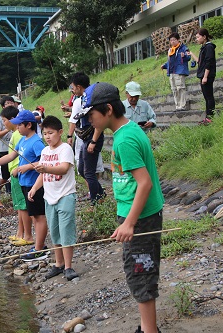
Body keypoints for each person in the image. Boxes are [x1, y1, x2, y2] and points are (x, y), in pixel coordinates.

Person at [85, 82, 164, 333]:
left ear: (108, 109)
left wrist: (129, 222)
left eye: (91, 116)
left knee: (140, 273)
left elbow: (145, 183)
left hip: (140, 217)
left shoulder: (125, 140)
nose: (89, 122)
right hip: (136, 214)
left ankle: (149, 330)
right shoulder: (125, 132)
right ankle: (146, 327)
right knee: (139, 270)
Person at [0, 110, 48, 261]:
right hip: (25, 183)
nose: (17, 127)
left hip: (35, 185)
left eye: (20, 124)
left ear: (29, 125)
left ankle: (40, 248)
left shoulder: (36, 141)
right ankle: (39, 245)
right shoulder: (23, 140)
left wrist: (27, 167)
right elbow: (10, 156)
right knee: (34, 216)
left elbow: (45, 161)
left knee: (39, 216)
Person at [28, 115, 79, 281]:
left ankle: (69, 266)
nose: (48, 136)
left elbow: (64, 168)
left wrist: (47, 168)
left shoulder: (65, 149)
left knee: (66, 231)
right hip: (49, 198)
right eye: (45, 133)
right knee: (55, 232)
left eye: (51, 133)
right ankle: (59, 264)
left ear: (60, 132)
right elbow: (42, 175)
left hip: (65, 195)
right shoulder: (44, 151)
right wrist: (35, 188)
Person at [68, 72, 106, 207]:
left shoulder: (90, 98)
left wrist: (93, 141)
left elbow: (98, 122)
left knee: (89, 172)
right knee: (83, 169)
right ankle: (100, 194)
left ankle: (96, 203)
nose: (72, 90)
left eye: (72, 87)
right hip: (86, 139)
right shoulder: (83, 98)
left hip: (92, 138)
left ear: (78, 87)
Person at [0, 105, 33, 246]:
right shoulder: (15, 135)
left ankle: (27, 235)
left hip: (19, 173)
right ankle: (21, 233)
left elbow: (23, 156)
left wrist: (18, 169)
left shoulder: (19, 134)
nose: (3, 123)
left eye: (4, 120)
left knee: (22, 205)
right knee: (19, 206)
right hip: (16, 173)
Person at [188, 28, 217, 124]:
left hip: (207, 75)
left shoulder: (209, 47)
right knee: (206, 97)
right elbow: (200, 62)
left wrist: (205, 76)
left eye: (198, 37)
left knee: (209, 97)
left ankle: (210, 118)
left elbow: (209, 62)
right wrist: (191, 54)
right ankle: (207, 118)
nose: (197, 39)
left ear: (204, 37)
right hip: (203, 75)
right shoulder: (204, 47)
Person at [161, 32, 191, 111]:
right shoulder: (170, 50)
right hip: (172, 72)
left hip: (180, 71)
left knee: (180, 88)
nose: (173, 42)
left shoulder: (184, 48)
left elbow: (188, 57)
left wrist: (184, 56)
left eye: (174, 40)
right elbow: (170, 62)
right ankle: (177, 106)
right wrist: (164, 66)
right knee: (174, 89)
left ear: (178, 40)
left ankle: (183, 105)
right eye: (171, 40)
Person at [0, 96, 15, 194]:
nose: (10, 104)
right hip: (4, 148)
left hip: (15, 148)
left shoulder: (17, 115)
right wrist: (9, 128)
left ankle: (11, 192)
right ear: (3, 106)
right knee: (5, 175)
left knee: (14, 172)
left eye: (12, 102)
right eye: (7, 103)